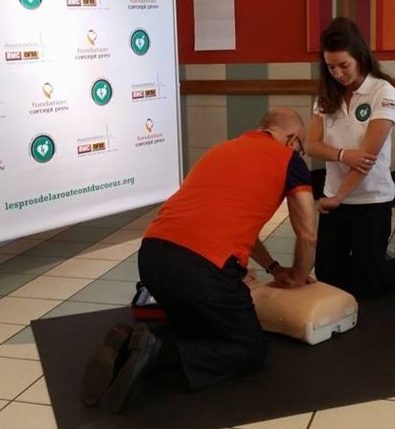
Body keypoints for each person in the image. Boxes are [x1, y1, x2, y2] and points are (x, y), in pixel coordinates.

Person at [80, 108, 317, 412]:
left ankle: (127, 346)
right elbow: (308, 233)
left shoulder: (220, 150)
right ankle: (156, 356)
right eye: (300, 148)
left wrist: (271, 267)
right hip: (200, 269)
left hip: (151, 257)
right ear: (292, 139)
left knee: (201, 328)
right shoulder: (288, 159)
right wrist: (298, 276)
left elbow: (222, 214)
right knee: (250, 348)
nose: (299, 153)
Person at [306, 17, 395, 299]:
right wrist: (341, 154)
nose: (337, 73)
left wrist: (338, 196)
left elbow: (367, 158)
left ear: (360, 57)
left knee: (370, 282)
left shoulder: (382, 91)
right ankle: (371, 254)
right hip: (335, 197)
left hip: (370, 199)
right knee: (328, 276)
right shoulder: (327, 94)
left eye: (343, 65)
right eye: (330, 67)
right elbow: (311, 144)